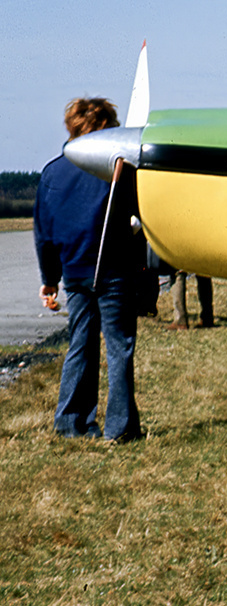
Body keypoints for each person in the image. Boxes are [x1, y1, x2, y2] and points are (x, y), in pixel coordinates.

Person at [34, 97, 141, 442]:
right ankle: (120, 429)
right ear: (104, 126)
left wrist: (50, 280)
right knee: (119, 347)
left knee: (80, 344)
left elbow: (44, 232)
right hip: (114, 271)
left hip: (75, 273)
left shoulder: (53, 171)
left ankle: (71, 422)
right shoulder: (119, 169)